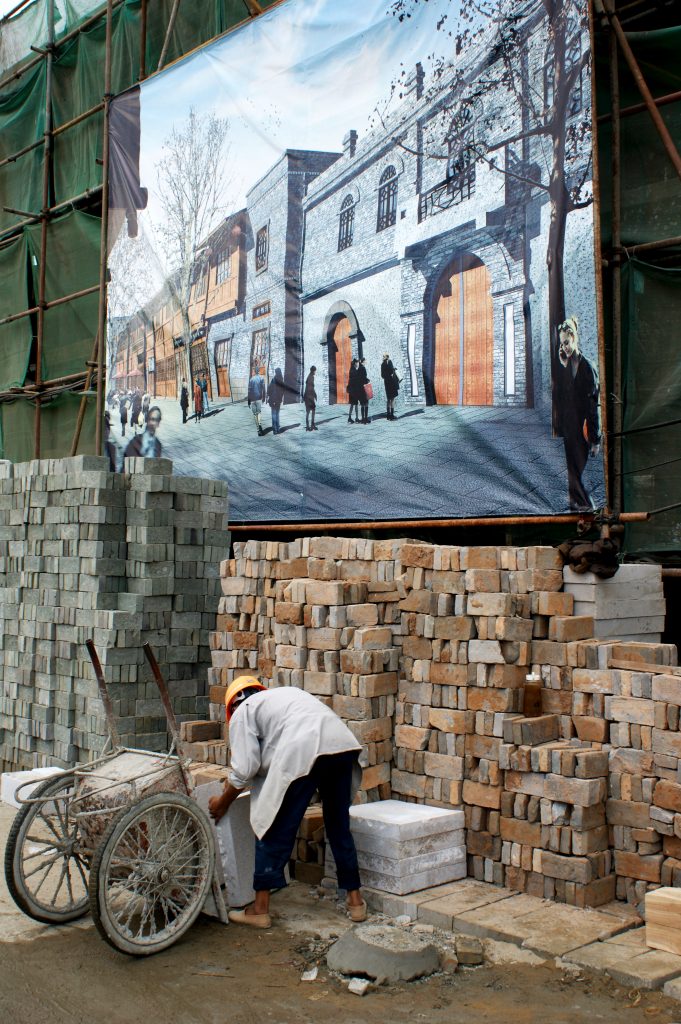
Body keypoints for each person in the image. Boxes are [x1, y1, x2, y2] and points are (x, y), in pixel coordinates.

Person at [208, 678, 367, 929]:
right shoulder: (285, 696)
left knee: (271, 823)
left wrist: (222, 803)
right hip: (342, 745)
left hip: (304, 748)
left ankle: (259, 909)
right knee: (338, 826)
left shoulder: (243, 712)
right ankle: (355, 902)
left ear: (232, 706)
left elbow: (246, 767)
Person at [553, 316, 601, 512]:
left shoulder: (588, 367)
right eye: (561, 344)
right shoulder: (567, 365)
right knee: (573, 476)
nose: (564, 347)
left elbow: (593, 406)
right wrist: (563, 366)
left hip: (582, 431)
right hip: (570, 431)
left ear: (574, 338)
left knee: (577, 476)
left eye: (566, 342)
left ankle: (588, 511)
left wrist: (595, 439)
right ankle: (580, 514)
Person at [266, 367, 286, 435]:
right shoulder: (281, 380)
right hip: (278, 400)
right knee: (277, 414)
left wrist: (268, 395)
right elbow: (283, 390)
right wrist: (280, 397)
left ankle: (275, 429)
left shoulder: (274, 379)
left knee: (273, 414)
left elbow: (269, 388)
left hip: (273, 399)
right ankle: (277, 428)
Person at [381, 352, 400, 420]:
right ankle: (390, 415)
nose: (383, 357)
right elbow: (386, 374)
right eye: (383, 356)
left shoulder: (386, 363)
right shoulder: (386, 363)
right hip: (390, 382)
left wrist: (388, 375)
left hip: (389, 382)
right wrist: (390, 374)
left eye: (384, 356)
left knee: (390, 398)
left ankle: (390, 414)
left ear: (387, 357)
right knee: (391, 399)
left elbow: (383, 375)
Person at [248, 365, 266, 436]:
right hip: (259, 398)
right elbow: (264, 389)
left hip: (252, 399)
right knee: (259, 413)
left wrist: (248, 401)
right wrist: (264, 398)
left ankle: (258, 429)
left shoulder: (251, 379)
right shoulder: (261, 378)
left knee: (255, 414)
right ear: (258, 371)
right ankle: (260, 424)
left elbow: (249, 390)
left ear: (254, 371)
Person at [357, 356, 371, 424]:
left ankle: (363, 419)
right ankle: (365, 418)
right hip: (364, 388)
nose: (366, 362)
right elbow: (364, 378)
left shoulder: (359, 368)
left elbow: (359, 379)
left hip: (360, 388)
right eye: (365, 361)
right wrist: (367, 380)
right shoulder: (363, 368)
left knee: (362, 403)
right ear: (363, 362)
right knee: (366, 403)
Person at [347, 357, 361, 424]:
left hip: (351, 391)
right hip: (354, 391)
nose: (358, 364)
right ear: (355, 363)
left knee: (353, 404)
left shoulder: (352, 369)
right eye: (357, 363)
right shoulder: (354, 371)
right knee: (355, 404)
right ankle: (357, 418)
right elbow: (355, 381)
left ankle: (350, 418)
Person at [304, 365, 317, 431]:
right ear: (313, 371)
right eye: (315, 371)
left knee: (310, 411)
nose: (315, 372)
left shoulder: (310, 376)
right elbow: (310, 388)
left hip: (308, 397)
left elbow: (311, 388)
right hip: (309, 397)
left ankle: (310, 425)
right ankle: (309, 425)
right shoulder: (311, 377)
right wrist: (314, 395)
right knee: (310, 411)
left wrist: (314, 395)